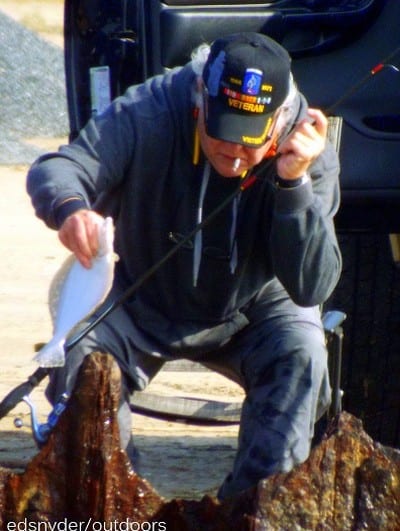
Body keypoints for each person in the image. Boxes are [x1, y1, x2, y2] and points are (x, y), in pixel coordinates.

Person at [27, 32, 342, 499]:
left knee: (304, 352)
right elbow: (58, 168)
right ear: (200, 102)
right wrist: (72, 208)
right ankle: (114, 503)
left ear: (278, 122)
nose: (235, 154)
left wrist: (293, 185)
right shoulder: (147, 110)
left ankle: (251, 506)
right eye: (223, 134)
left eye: (251, 140)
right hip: (141, 293)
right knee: (78, 352)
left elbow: (313, 285)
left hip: (256, 305)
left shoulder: (307, 149)